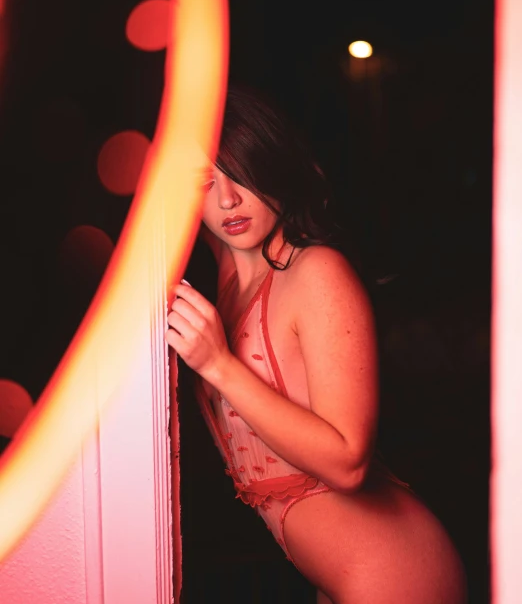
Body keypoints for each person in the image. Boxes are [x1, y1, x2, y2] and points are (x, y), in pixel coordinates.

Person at [165, 87, 467, 604]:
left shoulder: (316, 273)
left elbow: (348, 462)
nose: (227, 200)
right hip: (334, 579)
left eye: (243, 174)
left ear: (275, 167)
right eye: (204, 182)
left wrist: (219, 364)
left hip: (393, 574)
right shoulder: (228, 266)